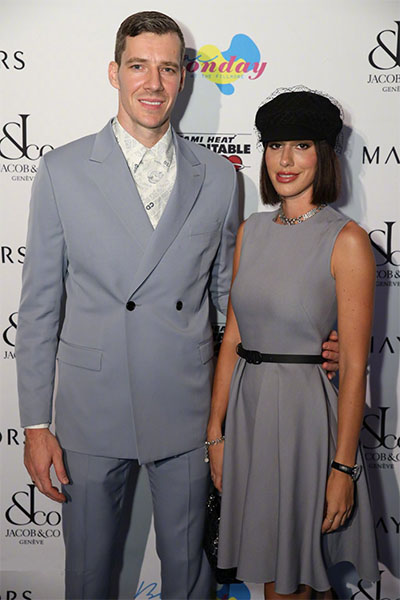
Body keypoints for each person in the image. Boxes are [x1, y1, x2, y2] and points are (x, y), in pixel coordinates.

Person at [15, 10, 339, 598]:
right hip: (92, 409)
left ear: (184, 77)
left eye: (167, 68)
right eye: (139, 66)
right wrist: (36, 426)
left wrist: (301, 342)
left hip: (188, 409)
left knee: (190, 576)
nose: (153, 83)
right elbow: (38, 307)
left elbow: (230, 300)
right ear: (114, 72)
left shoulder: (218, 176)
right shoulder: (62, 170)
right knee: (86, 576)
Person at [207, 89, 379, 599]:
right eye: (275, 145)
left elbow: (354, 366)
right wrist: (215, 433)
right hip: (249, 415)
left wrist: (343, 468)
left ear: (323, 154)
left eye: (301, 146)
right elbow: (233, 337)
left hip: (306, 421)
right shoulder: (251, 231)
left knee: (293, 578)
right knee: (282, 573)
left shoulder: (347, 240)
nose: (285, 160)